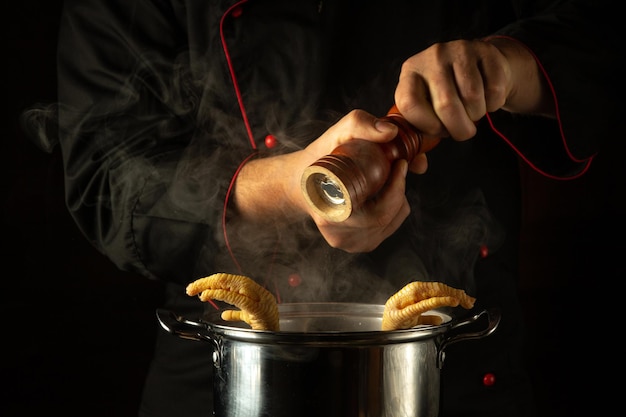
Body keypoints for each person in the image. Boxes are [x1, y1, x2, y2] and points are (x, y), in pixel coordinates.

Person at [26, 0, 620, 416]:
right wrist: (287, 188)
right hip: (220, 377)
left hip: (451, 373)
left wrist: (506, 64)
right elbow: (105, 173)